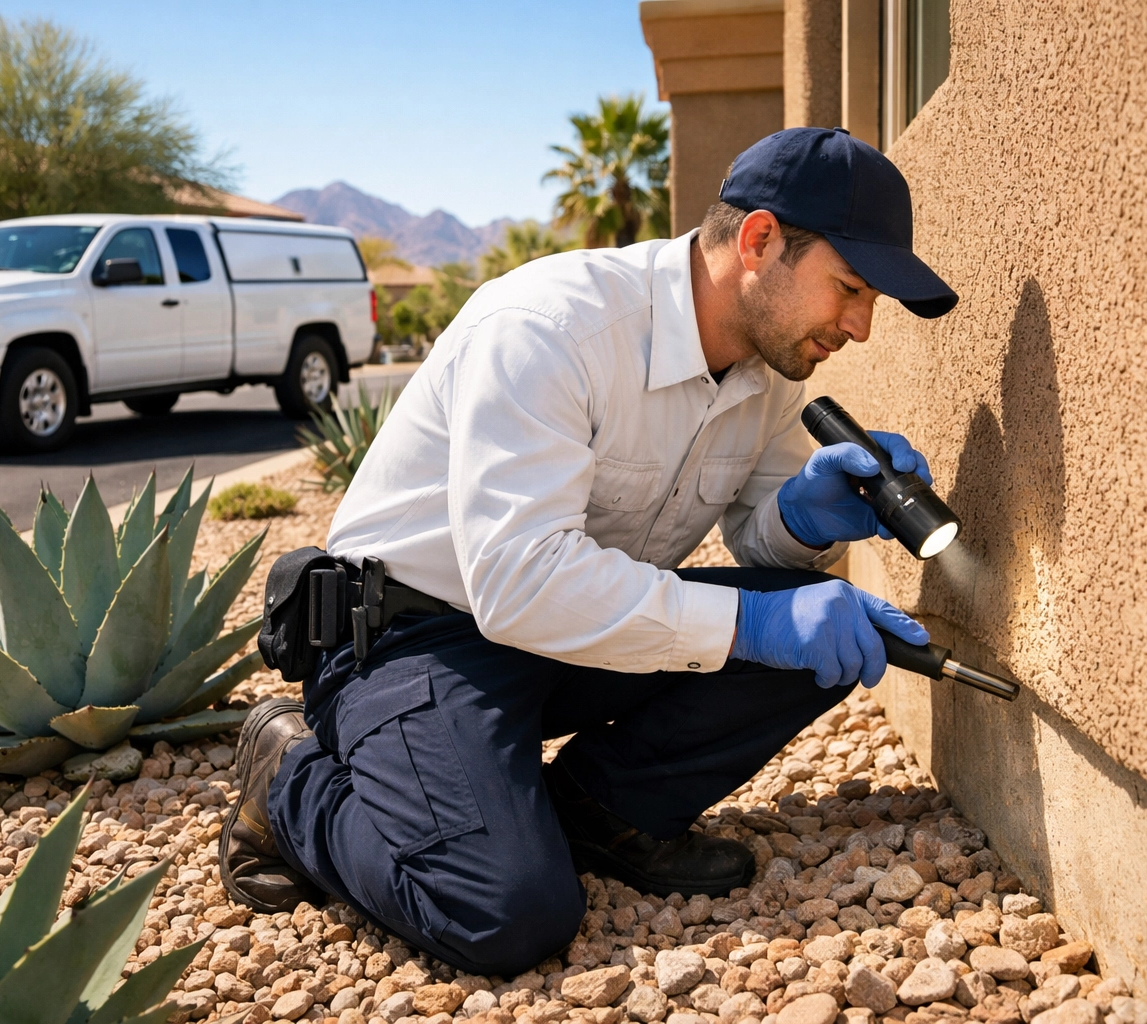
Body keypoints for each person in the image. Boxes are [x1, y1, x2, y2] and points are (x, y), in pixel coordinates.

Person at [219, 127, 959, 975]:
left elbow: (758, 546)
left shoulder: (762, 373)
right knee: (505, 913)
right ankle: (288, 780)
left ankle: (598, 810)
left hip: (570, 633)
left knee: (826, 636)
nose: (860, 327)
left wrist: (806, 520)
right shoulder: (550, 326)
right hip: (414, 640)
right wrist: (754, 620)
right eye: (851, 288)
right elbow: (520, 584)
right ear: (758, 241)